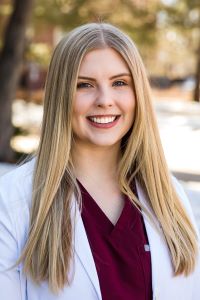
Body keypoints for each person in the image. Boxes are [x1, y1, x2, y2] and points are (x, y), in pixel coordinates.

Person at [0, 23, 199, 300]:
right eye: (84, 85)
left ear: (138, 93)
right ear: (61, 95)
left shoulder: (169, 195)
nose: (105, 100)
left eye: (119, 83)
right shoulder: (12, 201)